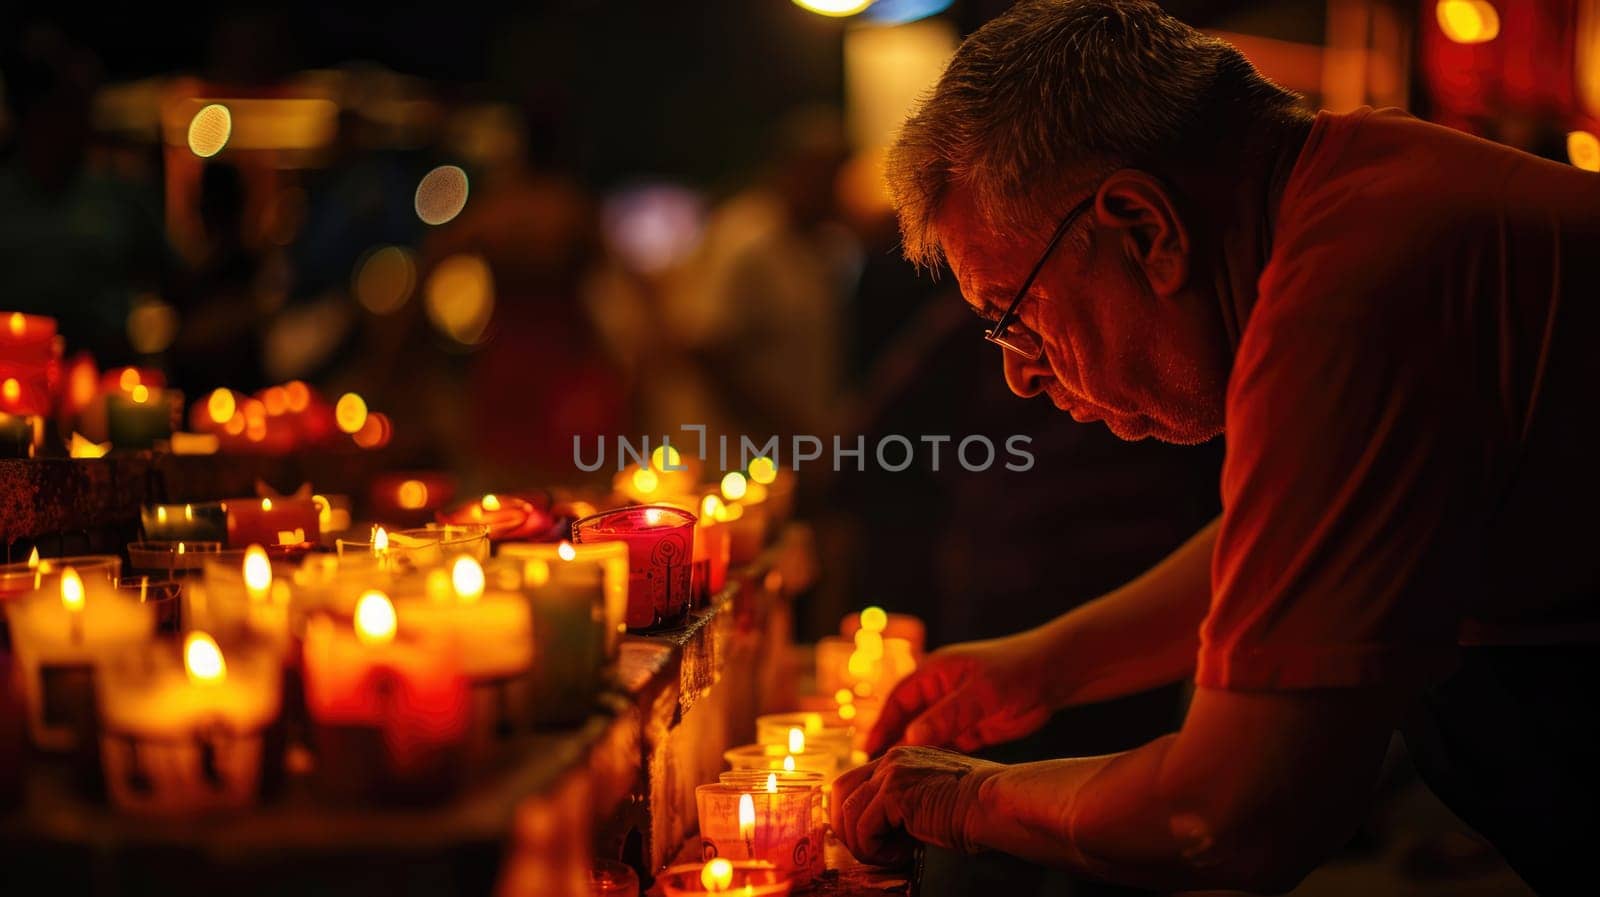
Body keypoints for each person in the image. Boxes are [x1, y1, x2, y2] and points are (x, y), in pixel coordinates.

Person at [830, 2, 1600, 894]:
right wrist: (1048, 665)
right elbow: (1310, 539)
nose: (1019, 378)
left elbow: (1234, 812)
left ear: (1146, 230)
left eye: (1015, 317)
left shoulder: (1354, 295)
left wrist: (967, 802)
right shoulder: (1354, 187)